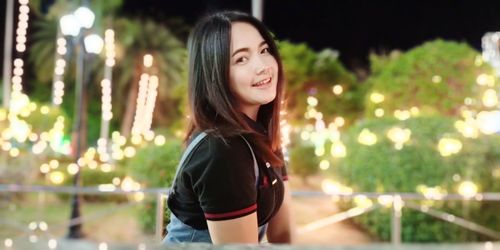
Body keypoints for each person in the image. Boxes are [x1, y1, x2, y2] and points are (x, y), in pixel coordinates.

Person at [163, 10, 294, 244]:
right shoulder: (222, 150)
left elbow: (283, 236)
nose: (262, 65)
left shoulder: (263, 135)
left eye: (264, 50)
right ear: (216, 75)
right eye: (241, 59)